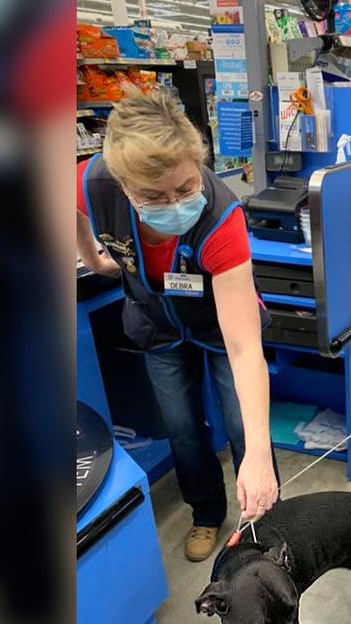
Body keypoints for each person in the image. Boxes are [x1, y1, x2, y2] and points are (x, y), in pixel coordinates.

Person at [76, 89, 278, 562]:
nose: (174, 204)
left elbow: (246, 350)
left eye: (186, 188)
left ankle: (265, 527)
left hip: (219, 324)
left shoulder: (221, 219)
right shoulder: (91, 181)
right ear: (122, 184)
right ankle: (206, 514)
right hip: (156, 324)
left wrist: (261, 459)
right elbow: (72, 208)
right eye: (153, 196)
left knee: (245, 428)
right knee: (182, 428)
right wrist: (92, 257)